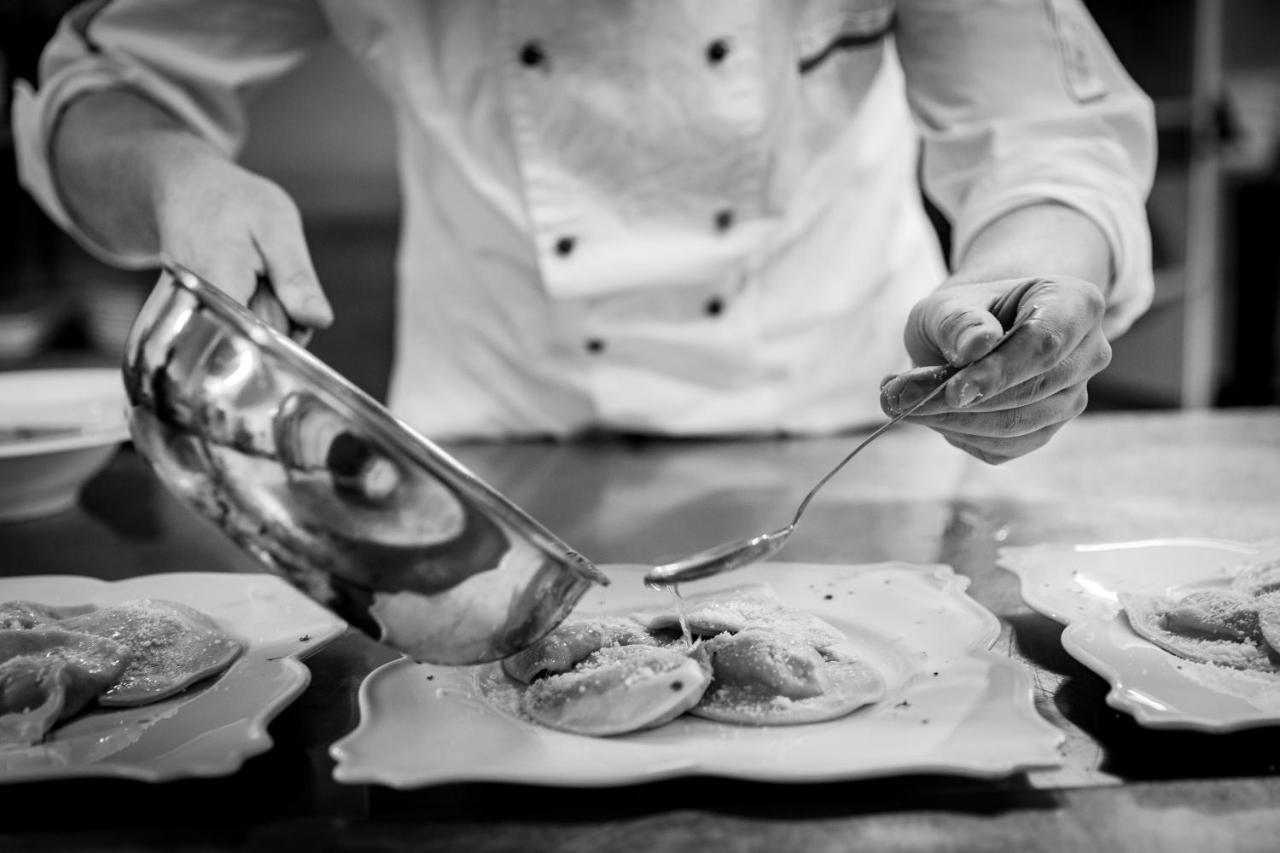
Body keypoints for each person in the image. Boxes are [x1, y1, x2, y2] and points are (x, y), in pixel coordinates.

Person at [12, 0, 1155, 463]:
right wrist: (176, 176)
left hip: (851, 425)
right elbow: (102, 82)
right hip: (495, 452)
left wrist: (1024, 301)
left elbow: (1043, 123)